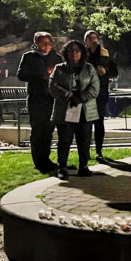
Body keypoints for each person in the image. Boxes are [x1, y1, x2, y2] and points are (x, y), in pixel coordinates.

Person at [49, 40, 100, 180]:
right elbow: (53, 86)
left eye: (77, 50)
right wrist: (69, 96)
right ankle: (62, 167)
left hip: (85, 110)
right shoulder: (59, 68)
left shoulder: (89, 69)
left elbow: (95, 88)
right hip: (66, 109)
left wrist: (81, 98)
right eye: (71, 50)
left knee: (84, 140)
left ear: (82, 53)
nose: (74, 53)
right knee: (64, 140)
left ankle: (83, 166)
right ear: (66, 53)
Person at [17, 32, 63, 174]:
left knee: (48, 130)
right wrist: (40, 76)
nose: (47, 46)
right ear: (36, 43)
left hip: (52, 98)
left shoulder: (56, 57)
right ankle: (38, 159)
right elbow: (21, 75)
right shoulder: (29, 57)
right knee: (37, 130)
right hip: (36, 99)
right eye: (44, 43)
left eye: (49, 43)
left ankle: (46, 158)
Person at [84, 30, 118, 161]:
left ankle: (99, 151)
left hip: (101, 92)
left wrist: (106, 71)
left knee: (99, 123)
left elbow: (114, 72)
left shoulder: (104, 53)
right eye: (90, 38)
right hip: (87, 92)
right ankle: (85, 150)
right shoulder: (83, 53)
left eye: (95, 38)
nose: (93, 40)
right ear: (86, 41)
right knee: (86, 123)